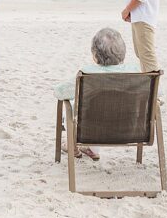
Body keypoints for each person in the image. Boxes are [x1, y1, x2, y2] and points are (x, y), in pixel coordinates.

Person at [54, 28, 141, 160]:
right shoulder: (136, 73)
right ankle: (91, 149)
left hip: (91, 130)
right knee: (104, 108)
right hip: (129, 130)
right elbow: (158, 95)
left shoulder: (86, 74)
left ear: (95, 54)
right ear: (123, 52)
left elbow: (60, 92)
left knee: (73, 107)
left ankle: (72, 146)